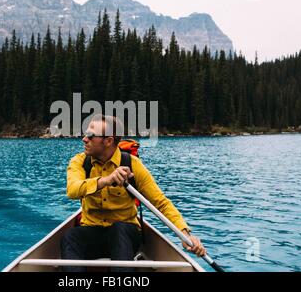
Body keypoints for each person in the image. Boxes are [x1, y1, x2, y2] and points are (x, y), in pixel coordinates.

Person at [61, 114, 206, 272]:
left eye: (90, 135)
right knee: (70, 236)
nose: (84, 139)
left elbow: (160, 203)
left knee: (119, 230)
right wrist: (106, 180)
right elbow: (73, 190)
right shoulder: (79, 162)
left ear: (108, 141)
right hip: (93, 231)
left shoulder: (133, 164)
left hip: (126, 234)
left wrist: (185, 235)